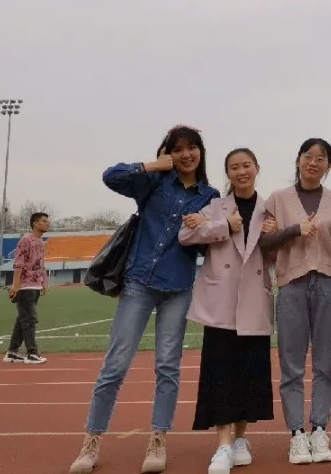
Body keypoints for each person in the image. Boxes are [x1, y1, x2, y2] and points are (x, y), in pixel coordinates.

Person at [69, 126, 221, 474]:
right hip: (138, 282)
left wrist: (206, 224)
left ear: (201, 152)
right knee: (115, 364)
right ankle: (91, 441)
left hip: (178, 287)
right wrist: (153, 165)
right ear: (168, 153)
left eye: (192, 148)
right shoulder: (154, 182)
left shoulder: (210, 196)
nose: (186, 155)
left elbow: (210, 242)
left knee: (168, 366)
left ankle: (158, 439)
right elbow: (111, 176)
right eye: (178, 149)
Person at [259, 138, 331, 466]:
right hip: (292, 284)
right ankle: (296, 433)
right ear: (298, 160)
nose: (313, 162)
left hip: (330, 283)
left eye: (321, 158)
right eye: (308, 156)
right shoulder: (278, 199)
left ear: (328, 166)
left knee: (325, 362)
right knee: (291, 363)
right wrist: (293, 230)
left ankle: (319, 428)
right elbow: (264, 242)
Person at [178, 148, 278, 473]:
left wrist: (274, 236)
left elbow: (275, 256)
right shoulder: (215, 207)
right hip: (220, 301)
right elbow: (185, 234)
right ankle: (222, 444)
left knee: (250, 373)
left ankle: (240, 439)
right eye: (234, 167)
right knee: (220, 372)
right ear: (228, 174)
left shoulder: (270, 209)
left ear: (257, 168)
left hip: (254, 299)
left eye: (246, 165)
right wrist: (224, 225)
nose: (241, 171)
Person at [4, 212, 51, 365]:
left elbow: (41, 264)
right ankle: (32, 353)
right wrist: (16, 285)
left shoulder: (40, 242)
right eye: (44, 221)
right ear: (35, 223)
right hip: (25, 286)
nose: (47, 223)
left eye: (47, 221)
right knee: (29, 319)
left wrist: (44, 282)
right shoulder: (26, 240)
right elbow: (18, 263)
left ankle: (12, 352)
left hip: (35, 285)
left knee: (23, 319)